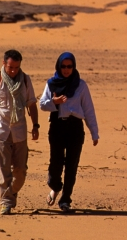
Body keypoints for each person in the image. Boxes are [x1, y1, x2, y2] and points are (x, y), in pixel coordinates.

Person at [0, 49, 39, 215]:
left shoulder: (25, 80)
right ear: (4, 63)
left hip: (20, 131)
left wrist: (36, 126)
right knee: (4, 170)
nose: (13, 71)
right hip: (0, 130)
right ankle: (6, 203)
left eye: (16, 67)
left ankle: (11, 193)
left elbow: (31, 103)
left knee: (21, 172)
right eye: (10, 67)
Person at [39, 52, 99, 213]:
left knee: (72, 165)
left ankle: (65, 200)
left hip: (75, 127)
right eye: (63, 66)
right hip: (57, 127)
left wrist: (94, 132)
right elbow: (42, 104)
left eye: (69, 66)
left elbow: (88, 110)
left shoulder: (81, 85)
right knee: (56, 163)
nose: (66, 70)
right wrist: (54, 102)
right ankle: (56, 186)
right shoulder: (51, 83)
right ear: (59, 66)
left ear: (74, 67)